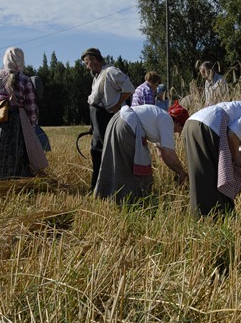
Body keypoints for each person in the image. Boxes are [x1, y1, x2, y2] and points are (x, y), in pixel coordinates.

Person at [94, 101, 189, 205]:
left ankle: (108, 197)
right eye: (181, 129)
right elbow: (169, 153)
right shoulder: (167, 121)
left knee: (116, 164)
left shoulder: (160, 117)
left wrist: (179, 172)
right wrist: (182, 172)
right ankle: (130, 202)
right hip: (127, 125)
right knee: (132, 169)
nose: (178, 133)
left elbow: (161, 153)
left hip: (118, 120)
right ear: (178, 123)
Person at [0, 47, 48, 181]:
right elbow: (31, 106)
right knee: (18, 154)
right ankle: (17, 182)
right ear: (21, 60)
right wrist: (32, 125)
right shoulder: (24, 80)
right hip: (16, 122)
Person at [81, 47, 135, 192]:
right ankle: (96, 187)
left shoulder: (110, 71)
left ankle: (108, 187)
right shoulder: (97, 76)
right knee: (97, 152)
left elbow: (129, 88)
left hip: (108, 118)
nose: (87, 67)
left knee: (107, 153)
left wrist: (117, 104)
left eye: (87, 62)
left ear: (94, 60)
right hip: (98, 120)